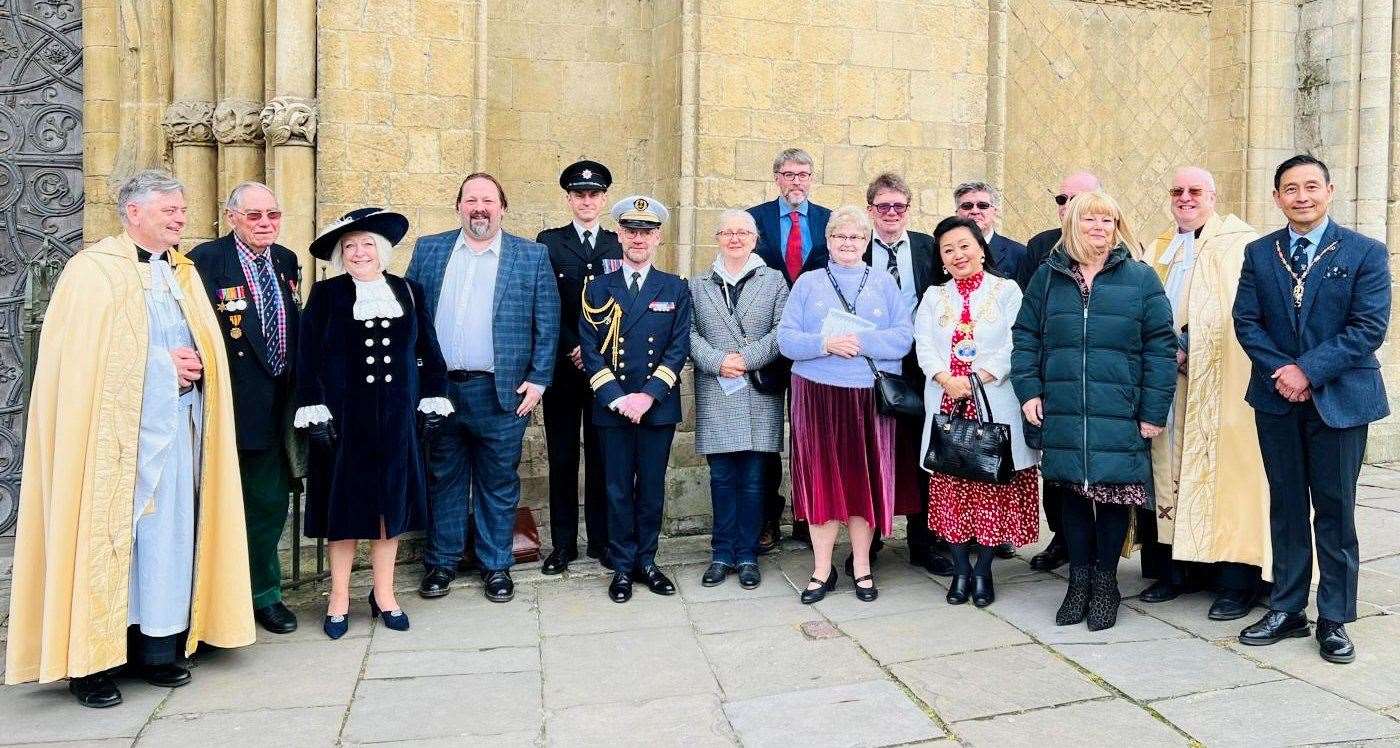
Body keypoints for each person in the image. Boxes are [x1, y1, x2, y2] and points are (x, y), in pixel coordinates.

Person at [5, 169, 253, 706]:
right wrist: (164, 367)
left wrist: (198, 365)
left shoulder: (182, 273)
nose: (181, 219)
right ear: (133, 212)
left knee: (167, 541)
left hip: (177, 432)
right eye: (170, 212)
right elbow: (78, 363)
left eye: (183, 211)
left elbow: (207, 346)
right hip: (109, 444)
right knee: (108, 541)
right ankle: (92, 665)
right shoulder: (91, 273)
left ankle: (156, 648)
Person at [1233, 155, 1391, 664]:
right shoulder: (1260, 253)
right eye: (1290, 189)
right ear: (1277, 197)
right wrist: (1285, 371)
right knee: (1285, 505)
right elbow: (1247, 321)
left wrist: (1309, 371)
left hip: (1341, 401)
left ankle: (1336, 617)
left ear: (1329, 190)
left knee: (1335, 508)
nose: (1301, 196)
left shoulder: (1365, 252)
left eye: (1310, 187)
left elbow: (1368, 327)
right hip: (1277, 399)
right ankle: (1287, 607)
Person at [1011, 190, 1176, 631]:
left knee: (1113, 497)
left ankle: (1106, 584)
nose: (1099, 227)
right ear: (1073, 225)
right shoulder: (1049, 277)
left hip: (1118, 408)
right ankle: (1077, 582)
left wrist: (1152, 410)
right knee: (1074, 498)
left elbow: (1161, 347)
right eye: (1090, 220)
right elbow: (1026, 336)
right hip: (1063, 408)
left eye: (1108, 220)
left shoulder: (1140, 279)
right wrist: (1029, 391)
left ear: (1118, 226)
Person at [295, 208, 451, 639]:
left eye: (366, 245)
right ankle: (339, 597)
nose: (359, 252)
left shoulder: (408, 291)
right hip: (344, 423)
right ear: (341, 256)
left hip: (397, 421)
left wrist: (433, 401)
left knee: (390, 511)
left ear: (381, 250)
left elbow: (431, 355)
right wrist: (313, 409)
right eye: (350, 247)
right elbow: (306, 360)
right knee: (342, 512)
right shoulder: (326, 295)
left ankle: (384, 594)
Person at [408, 173, 560, 603]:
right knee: (444, 479)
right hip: (440, 392)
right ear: (458, 206)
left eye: (488, 200)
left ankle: (496, 566)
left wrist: (540, 380)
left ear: (502, 208)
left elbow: (546, 324)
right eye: (471, 200)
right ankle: (442, 563)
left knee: (498, 482)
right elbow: (410, 316)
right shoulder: (430, 250)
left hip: (503, 393)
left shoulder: (531, 257)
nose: (480, 208)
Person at [1135, 167, 1269, 621]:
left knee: (1228, 474)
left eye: (1195, 191)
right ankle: (1175, 572)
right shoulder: (1157, 248)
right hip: (1168, 386)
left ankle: (1236, 581)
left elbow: (1243, 313)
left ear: (1214, 196)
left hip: (1221, 385)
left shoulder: (1240, 244)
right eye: (1177, 191)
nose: (1185, 198)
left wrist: (1190, 345)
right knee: (1166, 470)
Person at [777, 205, 914, 605]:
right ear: (829, 242)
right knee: (821, 480)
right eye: (840, 237)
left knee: (862, 482)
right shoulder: (808, 283)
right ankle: (821, 569)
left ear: (866, 241)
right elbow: (787, 340)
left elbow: (902, 339)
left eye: (856, 237)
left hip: (867, 396)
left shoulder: (884, 283)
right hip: (816, 393)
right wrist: (824, 343)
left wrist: (856, 341)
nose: (848, 244)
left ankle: (861, 567)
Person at [188, 181, 302, 635]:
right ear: (231, 216)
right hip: (228, 403)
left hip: (277, 407)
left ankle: (264, 594)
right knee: (215, 507)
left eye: (272, 215)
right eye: (254, 216)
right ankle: (212, 601)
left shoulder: (286, 260)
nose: (265, 224)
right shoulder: (206, 261)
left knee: (268, 505)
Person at [916, 217, 1039, 608]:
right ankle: (960, 570)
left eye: (964, 245)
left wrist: (976, 378)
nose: (957, 255)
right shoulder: (935, 296)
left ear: (981, 248)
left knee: (991, 491)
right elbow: (923, 344)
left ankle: (983, 570)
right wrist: (944, 377)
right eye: (947, 250)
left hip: (991, 401)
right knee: (951, 491)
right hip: (948, 403)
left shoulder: (1006, 291)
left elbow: (1014, 341)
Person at [580, 195, 692, 603]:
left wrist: (647, 396)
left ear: (658, 237)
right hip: (613, 408)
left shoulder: (675, 288)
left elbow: (678, 349)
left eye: (646, 232)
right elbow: (590, 349)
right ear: (620, 235)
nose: (638, 238)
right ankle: (622, 566)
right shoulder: (598, 288)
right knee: (616, 489)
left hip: (655, 406)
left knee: (651, 489)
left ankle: (647, 561)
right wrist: (618, 398)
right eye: (631, 231)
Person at [690, 209, 789, 590]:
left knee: (753, 479)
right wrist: (718, 361)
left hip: (757, 388)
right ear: (717, 237)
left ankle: (747, 554)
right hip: (717, 387)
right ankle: (720, 553)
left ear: (754, 238)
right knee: (720, 477)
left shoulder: (775, 280)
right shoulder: (698, 284)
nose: (735, 239)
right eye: (728, 232)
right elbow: (689, 332)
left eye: (743, 233)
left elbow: (783, 330)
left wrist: (747, 359)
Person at [861, 173, 952, 577]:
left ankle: (924, 542)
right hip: (869, 366)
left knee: (922, 453)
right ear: (870, 210)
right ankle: (871, 540)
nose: (892, 213)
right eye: (883, 206)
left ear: (908, 209)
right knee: (872, 451)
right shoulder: (853, 245)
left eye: (899, 205)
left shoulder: (927, 248)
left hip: (921, 365)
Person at [1011, 169, 1102, 573]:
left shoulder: (1116, 246)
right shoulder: (1042, 248)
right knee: (1054, 465)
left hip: (1098, 376)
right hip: (1052, 374)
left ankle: (1098, 549)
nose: (1068, 207)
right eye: (1062, 200)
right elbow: (1028, 315)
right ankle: (1062, 539)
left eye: (1077, 200)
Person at [536, 160, 622, 574]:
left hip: (606, 369)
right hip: (564, 370)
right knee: (563, 457)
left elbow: (623, 305)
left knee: (604, 456)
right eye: (579, 195)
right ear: (569, 199)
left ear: (603, 199)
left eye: (594, 194)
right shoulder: (549, 243)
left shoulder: (617, 244)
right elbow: (547, 303)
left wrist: (594, 352)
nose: (586, 201)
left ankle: (602, 541)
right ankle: (563, 545)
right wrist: (573, 345)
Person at [747, 147, 832, 551]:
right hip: (766, 343)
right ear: (776, 178)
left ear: (812, 178)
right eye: (788, 174)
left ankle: (807, 513)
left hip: (814, 346)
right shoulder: (755, 219)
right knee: (766, 435)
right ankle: (766, 517)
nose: (796, 181)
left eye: (803, 174)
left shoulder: (829, 221)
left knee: (810, 434)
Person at [954, 181, 1026, 279]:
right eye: (967, 206)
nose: (975, 211)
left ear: (994, 211)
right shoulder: (940, 253)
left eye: (983, 205)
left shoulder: (1019, 254)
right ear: (957, 213)